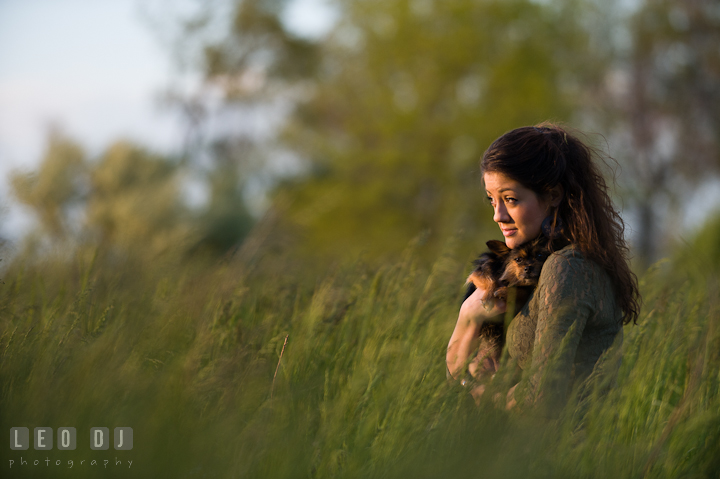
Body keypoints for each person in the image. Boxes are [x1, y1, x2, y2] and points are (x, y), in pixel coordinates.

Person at [446, 123, 640, 416]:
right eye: (492, 200)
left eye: (510, 199)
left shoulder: (567, 268)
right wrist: (468, 317)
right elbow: (461, 374)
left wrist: (482, 394)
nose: (498, 215)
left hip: (563, 454)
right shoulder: (535, 269)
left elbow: (541, 398)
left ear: (553, 195)